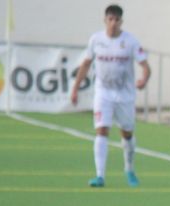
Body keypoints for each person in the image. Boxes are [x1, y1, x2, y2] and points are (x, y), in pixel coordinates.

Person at [70, 4, 150, 188]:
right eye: (110, 19)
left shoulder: (130, 41)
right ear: (105, 20)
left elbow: (145, 66)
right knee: (102, 130)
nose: (113, 23)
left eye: (117, 20)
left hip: (125, 95)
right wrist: (75, 88)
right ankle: (100, 176)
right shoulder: (96, 40)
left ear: (121, 22)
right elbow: (86, 64)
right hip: (103, 93)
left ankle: (129, 169)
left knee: (127, 133)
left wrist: (143, 79)